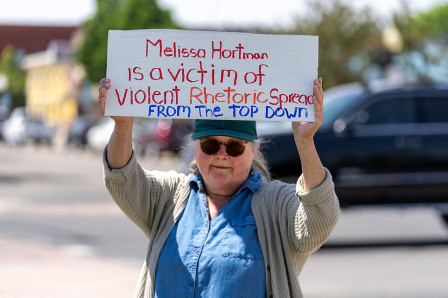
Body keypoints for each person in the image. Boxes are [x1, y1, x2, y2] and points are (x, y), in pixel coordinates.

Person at [98, 77, 339, 298]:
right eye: (211, 144)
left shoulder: (275, 204)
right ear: (195, 147)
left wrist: (305, 141)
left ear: (253, 150)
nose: (221, 155)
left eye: (234, 147)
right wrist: (122, 125)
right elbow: (122, 179)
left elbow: (317, 223)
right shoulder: (169, 196)